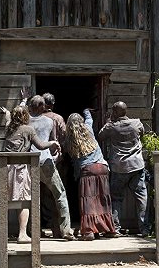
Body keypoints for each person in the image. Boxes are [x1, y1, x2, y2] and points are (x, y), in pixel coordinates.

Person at [1, 105, 61, 243]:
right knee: (24, 201)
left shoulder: (9, 129)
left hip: (6, 169)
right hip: (20, 169)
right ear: (25, 117)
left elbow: (9, 120)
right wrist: (53, 142)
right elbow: (40, 145)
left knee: (3, 201)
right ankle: (22, 234)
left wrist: (8, 114)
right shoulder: (28, 129)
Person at [98, 101, 151, 236]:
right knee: (141, 197)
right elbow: (142, 134)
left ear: (115, 112)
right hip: (136, 166)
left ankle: (115, 228)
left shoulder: (111, 127)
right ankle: (144, 229)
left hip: (119, 167)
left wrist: (109, 121)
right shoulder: (137, 123)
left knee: (116, 198)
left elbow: (100, 136)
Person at [64, 109, 117, 240]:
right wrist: (86, 110)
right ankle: (109, 229)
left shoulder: (68, 142)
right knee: (102, 199)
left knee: (88, 201)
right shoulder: (88, 129)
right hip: (102, 167)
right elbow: (89, 119)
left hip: (87, 170)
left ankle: (89, 231)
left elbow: (73, 160)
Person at [26, 94, 73, 240]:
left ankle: (33, 231)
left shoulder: (25, 121)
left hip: (29, 162)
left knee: (32, 197)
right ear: (43, 106)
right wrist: (57, 156)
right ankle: (66, 230)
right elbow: (54, 141)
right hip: (46, 160)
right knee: (60, 194)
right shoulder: (49, 121)